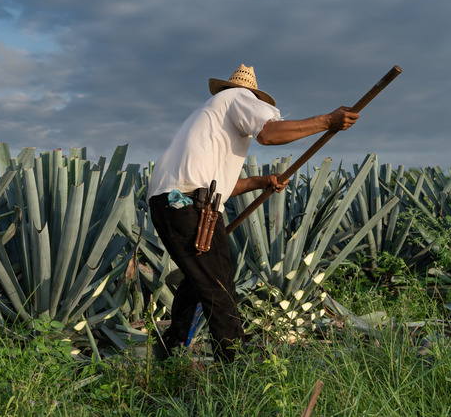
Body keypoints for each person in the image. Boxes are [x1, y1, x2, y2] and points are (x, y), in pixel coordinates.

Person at [147, 64, 359, 362]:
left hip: (169, 204)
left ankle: (172, 354)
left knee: (199, 281)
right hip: (192, 206)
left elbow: (220, 186)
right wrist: (327, 120)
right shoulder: (238, 97)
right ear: (250, 97)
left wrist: (262, 181)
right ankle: (234, 366)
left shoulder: (208, 119)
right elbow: (269, 134)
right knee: (219, 287)